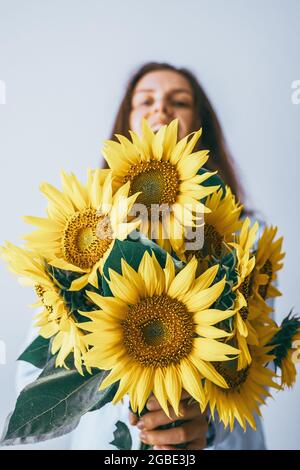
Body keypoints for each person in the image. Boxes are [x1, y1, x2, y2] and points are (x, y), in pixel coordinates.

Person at [17, 62, 269, 450]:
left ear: (200, 123)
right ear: (127, 125)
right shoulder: (80, 233)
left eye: (178, 101)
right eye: (146, 101)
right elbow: (36, 371)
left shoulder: (242, 241)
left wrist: (205, 424)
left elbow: (254, 365)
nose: (161, 110)